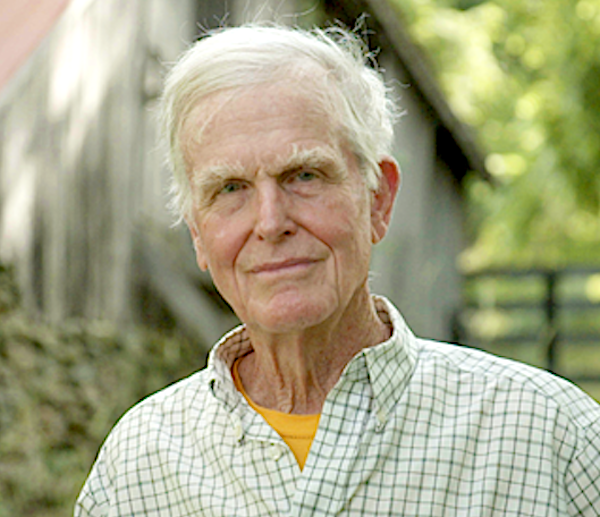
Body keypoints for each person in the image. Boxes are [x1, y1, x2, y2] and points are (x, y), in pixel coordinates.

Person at [75, 24, 600, 516]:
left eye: (304, 175)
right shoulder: (137, 466)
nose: (270, 222)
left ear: (378, 199)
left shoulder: (550, 437)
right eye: (229, 188)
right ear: (197, 233)